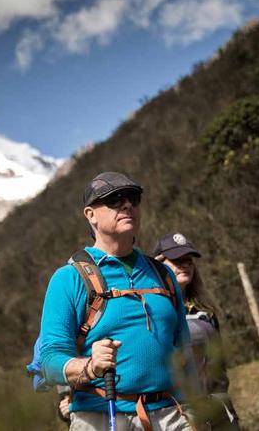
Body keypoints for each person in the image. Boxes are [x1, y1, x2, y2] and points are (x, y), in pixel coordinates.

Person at [39, 172, 193, 431]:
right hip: (100, 416)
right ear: (90, 215)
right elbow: (49, 360)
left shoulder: (162, 274)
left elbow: (184, 349)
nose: (127, 205)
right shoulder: (68, 279)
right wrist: (89, 367)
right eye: (114, 200)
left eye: (134, 198)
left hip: (171, 414)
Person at [152, 233, 240, 430]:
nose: (185, 265)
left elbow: (219, 367)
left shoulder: (205, 311)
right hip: (175, 413)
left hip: (217, 408)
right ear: (159, 266)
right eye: (177, 260)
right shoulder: (151, 311)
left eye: (188, 260)